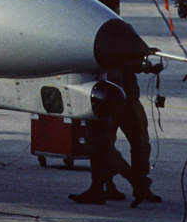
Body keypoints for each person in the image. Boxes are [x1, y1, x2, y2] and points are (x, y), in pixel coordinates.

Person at [69, 62, 162, 206]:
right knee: (104, 145)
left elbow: (133, 60)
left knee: (103, 144)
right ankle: (110, 186)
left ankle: (132, 183)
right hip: (115, 95)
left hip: (110, 97)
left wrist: (145, 64)